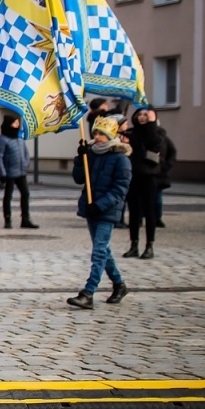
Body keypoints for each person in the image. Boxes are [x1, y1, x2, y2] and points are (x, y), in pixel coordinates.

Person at [68, 115, 131, 309]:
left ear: (111, 134)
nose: (97, 136)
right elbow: (79, 179)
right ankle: (119, 284)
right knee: (104, 250)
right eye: (95, 132)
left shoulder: (121, 159)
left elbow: (120, 189)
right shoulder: (92, 155)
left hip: (107, 210)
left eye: (101, 133)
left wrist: (100, 205)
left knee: (99, 251)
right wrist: (80, 159)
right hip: (91, 208)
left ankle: (88, 292)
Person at [122, 107, 167, 259]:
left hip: (149, 177)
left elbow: (154, 143)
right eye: (139, 114)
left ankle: (149, 245)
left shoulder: (157, 133)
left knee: (150, 211)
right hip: (133, 175)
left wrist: (151, 123)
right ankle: (134, 244)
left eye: (145, 115)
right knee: (134, 212)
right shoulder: (131, 133)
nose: (142, 117)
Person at [0, 116, 37, 230]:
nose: (17, 125)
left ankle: (25, 219)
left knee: (25, 194)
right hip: (9, 173)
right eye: (15, 123)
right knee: (8, 196)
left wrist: (26, 163)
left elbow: (26, 153)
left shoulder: (19, 138)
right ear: (9, 125)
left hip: (21, 172)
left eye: (18, 123)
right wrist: (2, 174)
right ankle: (7, 219)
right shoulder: (2, 140)